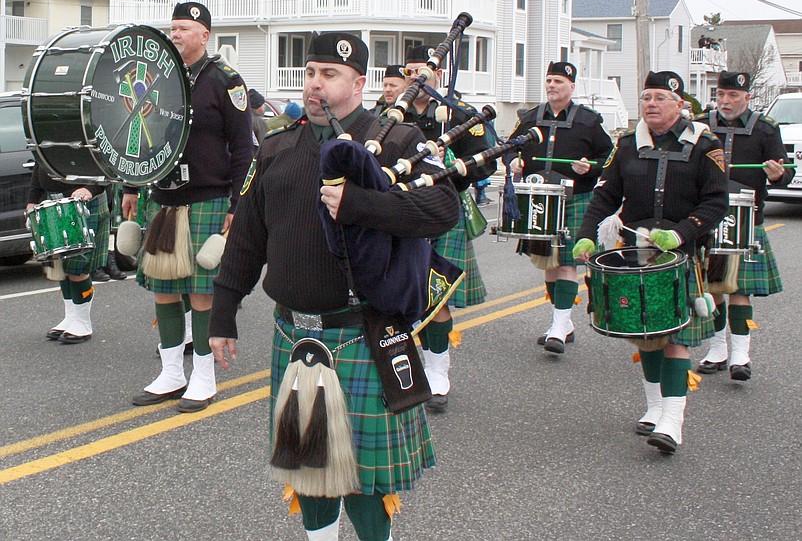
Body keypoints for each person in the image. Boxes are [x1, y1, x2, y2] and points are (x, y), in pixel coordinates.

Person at [209, 31, 458, 541]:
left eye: (330, 75)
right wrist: (223, 312)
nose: (315, 85)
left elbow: (443, 209)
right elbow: (249, 237)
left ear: (359, 82)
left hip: (363, 332)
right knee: (307, 467)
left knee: (365, 483)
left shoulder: (398, 142)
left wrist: (360, 205)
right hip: (295, 334)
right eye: (310, 73)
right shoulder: (278, 146)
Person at [573, 71, 728, 454]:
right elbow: (605, 195)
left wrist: (680, 233)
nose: (652, 104)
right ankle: (655, 406)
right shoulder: (627, 144)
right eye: (646, 97)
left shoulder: (704, 145)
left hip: (681, 253)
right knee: (645, 334)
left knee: (674, 338)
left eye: (660, 97)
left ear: (680, 105)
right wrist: (587, 233)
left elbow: (716, 202)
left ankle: (673, 422)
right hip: (637, 252)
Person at [122, 1, 253, 413]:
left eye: (183, 28)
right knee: (163, 291)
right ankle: (171, 373)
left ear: (204, 35)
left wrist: (238, 202)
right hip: (163, 198)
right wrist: (129, 184)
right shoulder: (157, 77)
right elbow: (137, 130)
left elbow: (244, 149)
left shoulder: (224, 80)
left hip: (208, 197)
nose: (175, 34)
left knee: (200, 292)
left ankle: (203, 377)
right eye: (173, 28)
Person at [400, 44, 496, 412]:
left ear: (438, 73)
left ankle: (437, 371)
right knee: (399, 293)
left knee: (435, 295)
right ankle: (403, 367)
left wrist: (455, 163)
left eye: (423, 72)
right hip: (400, 209)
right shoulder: (392, 112)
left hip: (442, 208)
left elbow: (486, 163)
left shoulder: (459, 114)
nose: (417, 79)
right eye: (411, 72)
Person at [508, 61, 613, 354]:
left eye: (559, 82)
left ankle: (558, 326)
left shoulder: (588, 121)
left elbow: (609, 156)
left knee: (567, 263)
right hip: (538, 200)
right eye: (550, 80)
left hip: (574, 198)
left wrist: (591, 167)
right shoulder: (531, 117)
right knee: (549, 265)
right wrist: (513, 161)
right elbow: (509, 148)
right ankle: (563, 324)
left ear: (572, 87)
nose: (552, 85)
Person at [694, 71, 792, 381]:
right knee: (713, 288)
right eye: (721, 94)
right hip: (706, 215)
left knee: (738, 290)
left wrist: (777, 174)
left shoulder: (765, 130)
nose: (725, 100)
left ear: (747, 97)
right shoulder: (701, 126)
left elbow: (785, 174)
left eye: (733, 95)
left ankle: (740, 355)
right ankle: (716, 349)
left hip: (746, 218)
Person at [27, 166, 111, 344]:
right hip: (53, 200)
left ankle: (82, 322)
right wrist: (32, 199)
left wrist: (92, 188)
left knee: (77, 267)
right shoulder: (43, 137)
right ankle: (71, 316)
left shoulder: (87, 135)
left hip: (85, 199)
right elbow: (40, 163)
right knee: (60, 266)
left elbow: (106, 164)